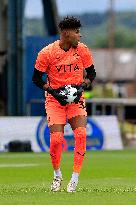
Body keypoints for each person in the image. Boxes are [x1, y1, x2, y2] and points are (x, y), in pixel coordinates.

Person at [32, 16, 96, 192]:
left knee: (81, 134)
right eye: (77, 32)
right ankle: (57, 175)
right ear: (66, 34)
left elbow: (92, 74)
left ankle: (74, 179)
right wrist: (53, 91)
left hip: (76, 100)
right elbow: (36, 79)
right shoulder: (47, 53)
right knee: (56, 139)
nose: (79, 36)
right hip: (54, 100)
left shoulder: (82, 50)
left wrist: (82, 86)